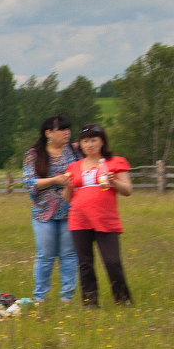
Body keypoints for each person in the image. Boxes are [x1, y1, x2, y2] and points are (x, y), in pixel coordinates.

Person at [63, 123, 133, 306]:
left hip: (105, 219)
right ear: (80, 144)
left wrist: (114, 182)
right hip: (79, 219)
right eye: (85, 141)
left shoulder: (115, 162)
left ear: (102, 142)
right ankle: (90, 302)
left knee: (112, 261)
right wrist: (67, 188)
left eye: (93, 140)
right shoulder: (73, 166)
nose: (89, 144)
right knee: (85, 264)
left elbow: (127, 190)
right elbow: (68, 198)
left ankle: (123, 300)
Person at [22, 115, 78, 303]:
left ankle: (67, 298)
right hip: (43, 214)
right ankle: (40, 298)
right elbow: (29, 183)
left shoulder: (74, 151)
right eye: (62, 129)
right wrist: (55, 180)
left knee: (69, 255)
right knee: (45, 255)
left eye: (68, 129)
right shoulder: (34, 154)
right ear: (48, 133)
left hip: (70, 213)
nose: (67, 132)